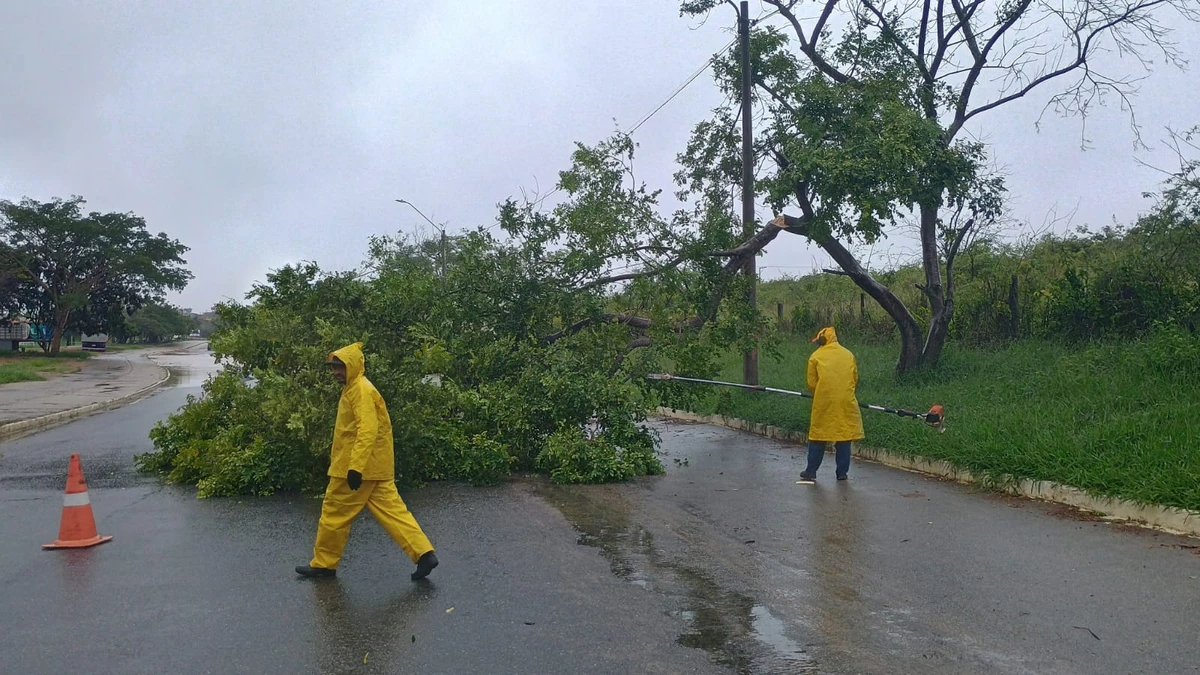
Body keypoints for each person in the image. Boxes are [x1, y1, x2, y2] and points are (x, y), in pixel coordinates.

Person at [296, 342, 439, 580]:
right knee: (394, 513)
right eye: (333, 368)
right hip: (376, 468)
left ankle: (324, 564)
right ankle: (424, 554)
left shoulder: (359, 390)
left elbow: (367, 430)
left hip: (354, 468)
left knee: (333, 514)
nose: (336, 372)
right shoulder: (357, 388)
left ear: (353, 366)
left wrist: (355, 468)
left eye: (340, 367)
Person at [799, 327, 864, 482]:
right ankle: (842, 473)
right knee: (843, 436)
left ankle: (811, 471)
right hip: (846, 402)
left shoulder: (815, 357)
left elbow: (811, 383)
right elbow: (854, 378)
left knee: (818, 436)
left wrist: (819, 394)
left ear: (822, 340)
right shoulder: (848, 355)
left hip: (824, 401)